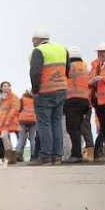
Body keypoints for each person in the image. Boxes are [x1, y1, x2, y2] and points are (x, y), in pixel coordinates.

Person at [29, 28, 70, 165]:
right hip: (61, 90)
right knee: (56, 122)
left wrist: (35, 91)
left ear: (38, 39)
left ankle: (46, 156)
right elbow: (68, 70)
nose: (32, 42)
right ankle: (57, 156)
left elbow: (35, 73)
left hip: (45, 91)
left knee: (44, 124)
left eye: (33, 40)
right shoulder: (63, 49)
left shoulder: (39, 51)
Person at [63, 46, 95, 163]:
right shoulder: (85, 68)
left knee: (72, 128)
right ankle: (78, 153)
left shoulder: (67, 67)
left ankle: (76, 154)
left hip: (72, 100)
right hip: (84, 101)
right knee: (80, 128)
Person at [0, 81, 20, 164]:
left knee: (20, 138)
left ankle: (15, 156)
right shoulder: (0, 98)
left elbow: (14, 108)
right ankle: (10, 157)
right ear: (1, 88)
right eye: (4, 86)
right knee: (4, 137)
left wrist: (7, 120)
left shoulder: (13, 97)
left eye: (7, 86)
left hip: (12, 121)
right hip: (3, 122)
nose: (6, 88)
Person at [15, 90, 37, 162]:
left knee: (21, 138)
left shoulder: (21, 99)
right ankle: (33, 155)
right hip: (33, 120)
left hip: (22, 119)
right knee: (33, 139)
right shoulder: (34, 100)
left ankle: (18, 154)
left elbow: (18, 109)